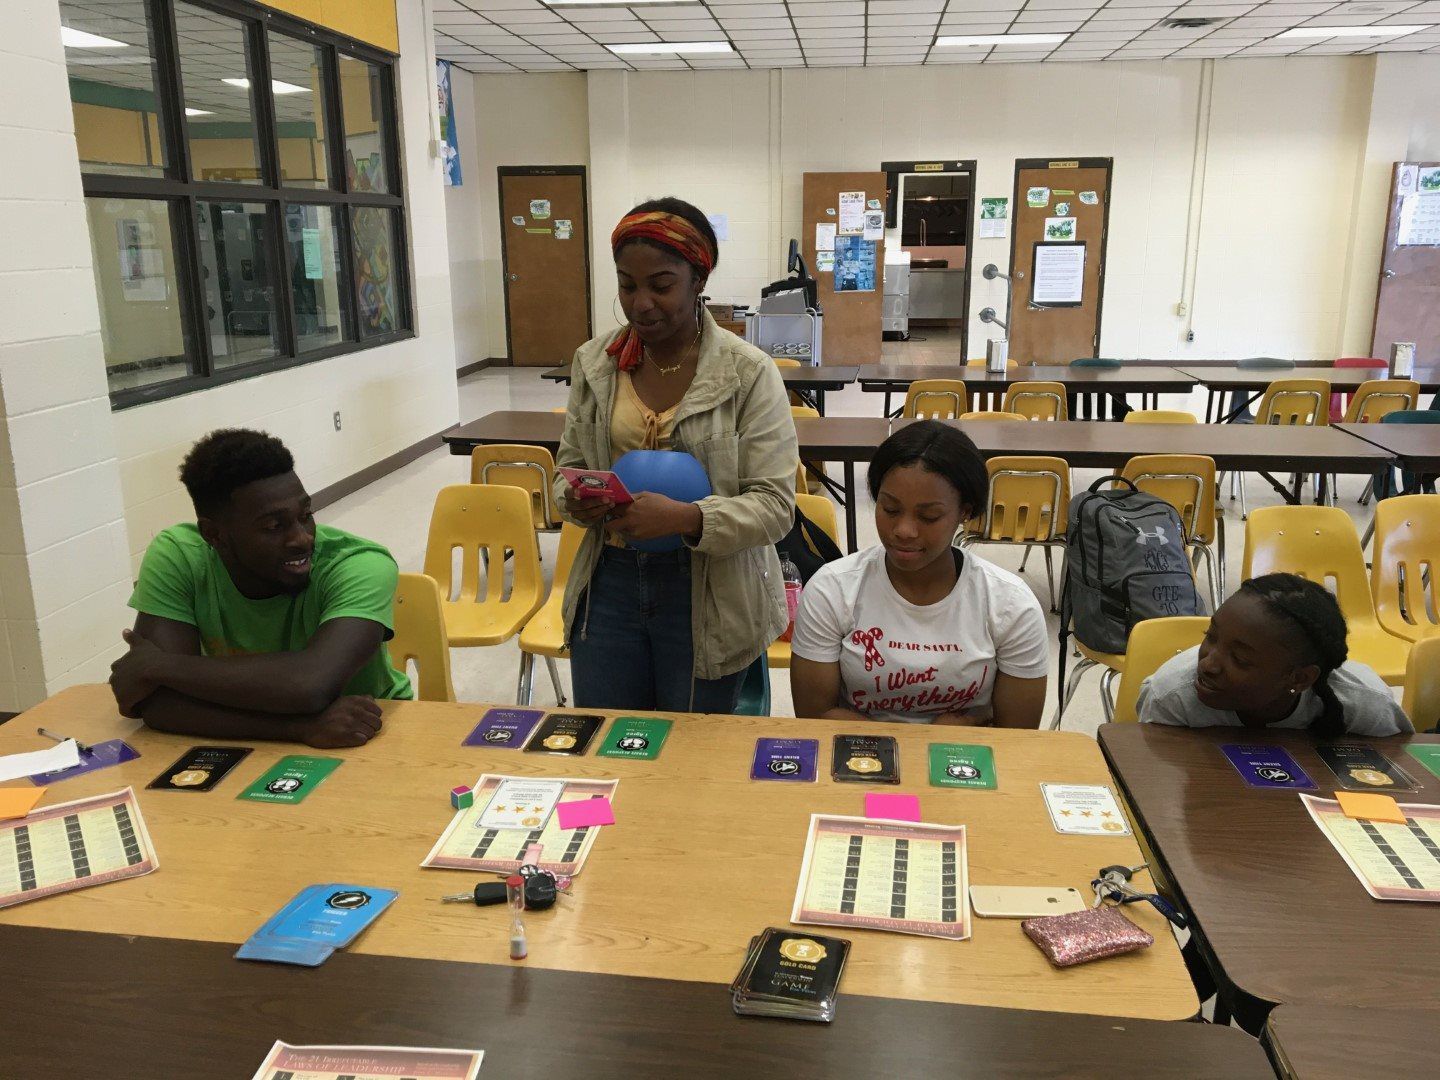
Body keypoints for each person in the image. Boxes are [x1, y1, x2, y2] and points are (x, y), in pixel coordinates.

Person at [552, 197, 797, 712]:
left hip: (709, 588)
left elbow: (775, 506)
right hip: (610, 581)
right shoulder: (596, 364)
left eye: (661, 285)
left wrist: (687, 518)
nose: (641, 303)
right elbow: (569, 468)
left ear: (698, 280)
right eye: (627, 284)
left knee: (695, 758)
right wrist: (575, 500)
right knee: (607, 740)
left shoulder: (747, 373)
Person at [108, 429, 411, 747]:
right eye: (273, 526)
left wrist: (160, 666)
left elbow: (309, 685)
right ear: (214, 535)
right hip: (289, 737)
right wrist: (300, 729)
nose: (302, 538)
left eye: (306, 515)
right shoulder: (178, 555)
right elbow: (158, 706)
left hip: (371, 732)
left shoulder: (360, 564)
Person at [790, 421, 1049, 727]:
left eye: (929, 516)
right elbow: (814, 717)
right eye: (890, 509)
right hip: (856, 759)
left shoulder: (1010, 604)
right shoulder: (832, 589)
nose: (904, 531)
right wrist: (929, 740)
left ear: (965, 511)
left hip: (970, 764)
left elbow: (1019, 736)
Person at [1137, 572, 1412, 736]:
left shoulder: (1366, 702)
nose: (1208, 664)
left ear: (1300, 678)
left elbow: (1395, 773)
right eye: (1210, 637)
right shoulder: (1172, 696)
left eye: (1240, 659)